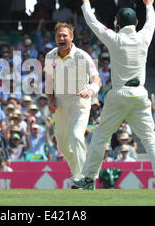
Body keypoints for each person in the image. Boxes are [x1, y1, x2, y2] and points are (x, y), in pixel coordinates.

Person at [74, 0, 155, 191]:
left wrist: (85, 1)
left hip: (119, 95)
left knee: (100, 136)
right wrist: (149, 5)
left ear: (117, 23)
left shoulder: (114, 38)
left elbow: (93, 23)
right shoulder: (144, 36)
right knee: (150, 139)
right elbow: (151, 21)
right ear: (136, 22)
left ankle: (90, 179)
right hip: (140, 95)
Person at [44, 22, 102, 188]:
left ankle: (82, 178)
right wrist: (51, 100)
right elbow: (49, 82)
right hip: (60, 103)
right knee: (62, 145)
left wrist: (91, 90)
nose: (61, 38)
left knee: (77, 136)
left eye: (65, 36)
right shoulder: (50, 56)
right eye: (59, 36)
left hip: (80, 101)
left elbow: (96, 79)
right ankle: (80, 169)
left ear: (71, 37)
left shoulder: (82, 56)